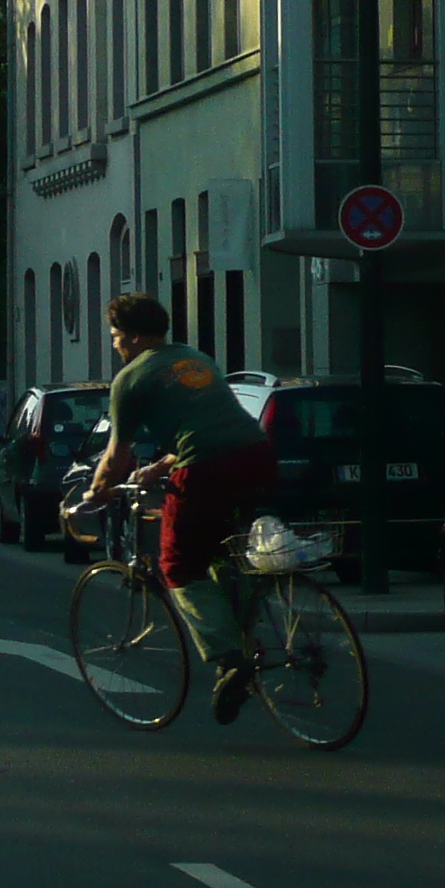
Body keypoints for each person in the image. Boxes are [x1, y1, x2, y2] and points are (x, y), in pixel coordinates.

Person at [79, 293, 277, 722]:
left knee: (178, 564)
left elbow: (116, 458)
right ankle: (248, 625)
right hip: (257, 453)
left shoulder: (131, 379)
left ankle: (230, 658)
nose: (115, 345)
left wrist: (95, 491)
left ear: (131, 336)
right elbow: (213, 422)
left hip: (207, 468)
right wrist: (163, 465)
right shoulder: (194, 358)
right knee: (224, 549)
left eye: (115, 337)